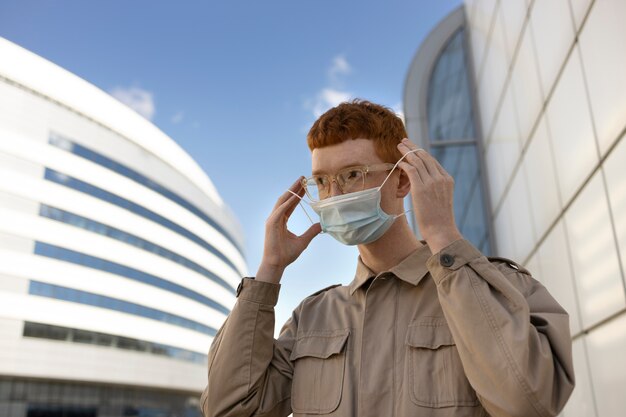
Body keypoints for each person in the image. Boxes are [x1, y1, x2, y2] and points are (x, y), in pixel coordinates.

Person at [201, 100, 575, 417]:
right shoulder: (311, 318)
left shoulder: (498, 289)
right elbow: (229, 408)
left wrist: (443, 235)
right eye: (322, 181)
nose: (333, 194)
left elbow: (529, 402)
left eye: (352, 174)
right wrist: (269, 273)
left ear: (402, 181)